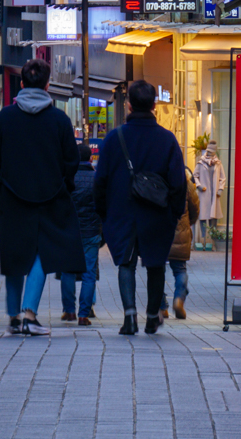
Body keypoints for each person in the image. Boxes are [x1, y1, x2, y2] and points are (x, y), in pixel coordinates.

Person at [0, 59, 85, 337]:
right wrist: (63, 186)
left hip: (12, 197)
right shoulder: (60, 120)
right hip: (50, 198)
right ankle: (29, 314)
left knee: (14, 255)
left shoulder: (5, 118)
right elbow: (71, 161)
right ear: (48, 86)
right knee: (41, 253)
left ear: (21, 84)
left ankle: (13, 316)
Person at [95, 80, 186, 336]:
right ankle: (151, 317)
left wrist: (103, 214)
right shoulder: (167, 140)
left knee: (126, 263)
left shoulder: (114, 138)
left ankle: (129, 317)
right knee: (156, 264)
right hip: (157, 213)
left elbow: (100, 181)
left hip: (121, 212)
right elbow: (179, 182)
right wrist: (175, 213)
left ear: (129, 105)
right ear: (154, 105)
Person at [60, 143, 101, 326]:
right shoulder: (97, 179)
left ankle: (69, 311)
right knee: (89, 273)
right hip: (91, 231)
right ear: (90, 158)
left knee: (68, 271)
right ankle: (84, 314)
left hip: (69, 231)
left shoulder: (67, 178)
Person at [160, 168, 198, 320]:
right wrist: (188, 224)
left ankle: (162, 307)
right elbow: (195, 210)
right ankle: (179, 299)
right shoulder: (188, 185)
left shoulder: (159, 182)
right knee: (180, 270)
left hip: (161, 234)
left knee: (158, 272)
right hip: (181, 234)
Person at [194, 141, 225, 245]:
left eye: (211, 151)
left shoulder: (218, 163)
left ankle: (212, 241)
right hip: (204, 193)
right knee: (203, 217)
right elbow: (195, 176)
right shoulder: (201, 162)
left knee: (213, 217)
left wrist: (220, 189)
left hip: (214, 194)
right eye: (208, 151)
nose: (209, 153)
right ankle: (202, 241)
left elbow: (222, 178)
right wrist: (199, 186)